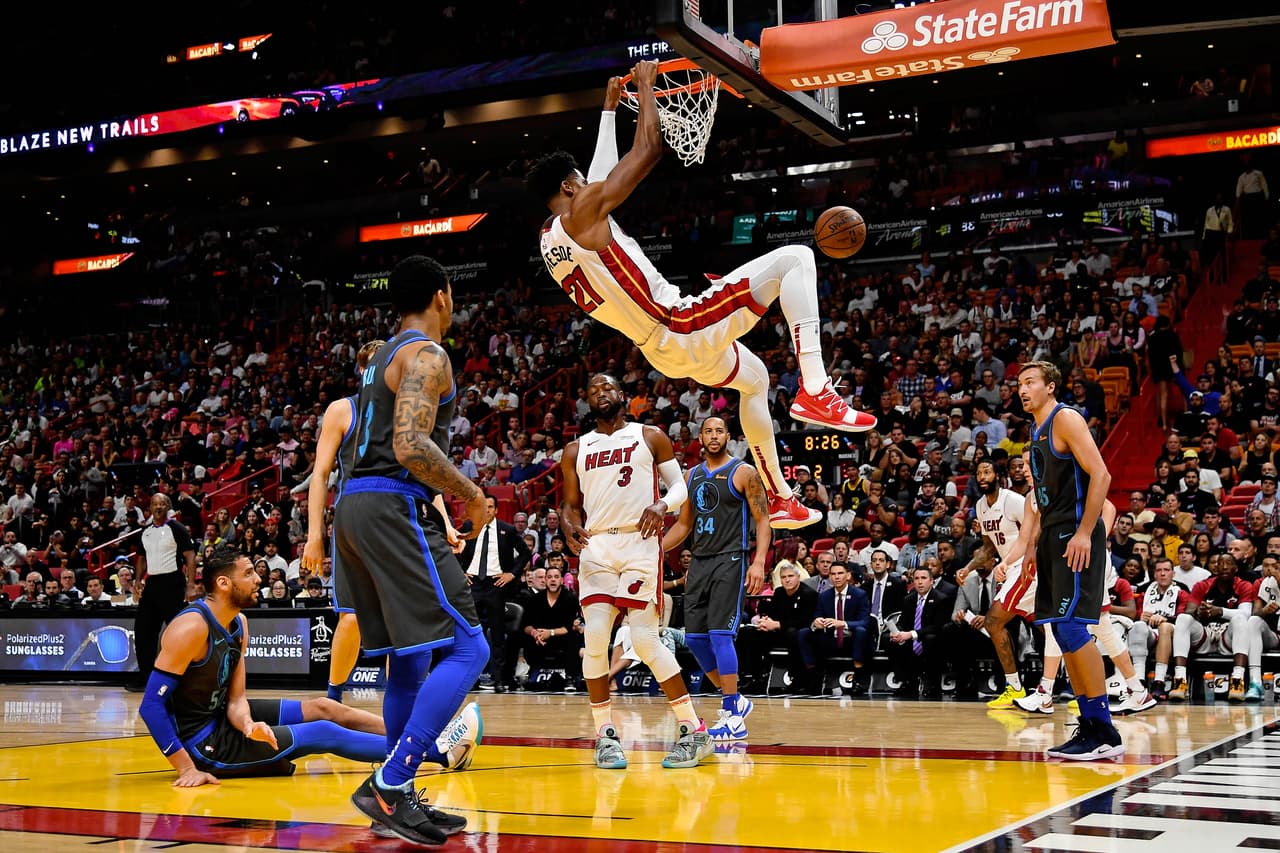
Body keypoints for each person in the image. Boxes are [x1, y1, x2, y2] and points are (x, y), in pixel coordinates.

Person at [529, 63, 874, 533]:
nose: (588, 185)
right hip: (679, 322)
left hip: (662, 351)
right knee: (795, 258)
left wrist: (610, 110)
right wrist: (649, 85)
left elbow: (598, 175)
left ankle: (779, 497)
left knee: (755, 380)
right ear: (571, 188)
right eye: (580, 183)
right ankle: (814, 389)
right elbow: (647, 149)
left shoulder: (553, 236)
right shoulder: (583, 211)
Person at [332, 255, 487, 846]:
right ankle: (392, 782)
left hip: (355, 505)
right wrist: (473, 494)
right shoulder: (428, 354)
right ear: (443, 296)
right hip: (392, 504)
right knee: (470, 648)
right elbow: (411, 443)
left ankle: (399, 795)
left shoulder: (378, 355)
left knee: (408, 657)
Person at [138, 545, 393, 788]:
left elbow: (236, 700)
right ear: (224, 583)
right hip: (202, 743)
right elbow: (151, 706)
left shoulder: (240, 623)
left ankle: (411, 733)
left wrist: (249, 725)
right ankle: (421, 753)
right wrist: (186, 768)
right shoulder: (190, 628)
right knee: (323, 731)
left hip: (223, 717)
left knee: (326, 707)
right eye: (248, 574)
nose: (258, 579)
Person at [560, 373, 712, 770]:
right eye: (593, 390)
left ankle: (694, 729)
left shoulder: (650, 435)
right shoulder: (576, 449)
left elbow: (680, 487)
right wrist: (567, 524)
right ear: (587, 402)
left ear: (623, 396)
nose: (601, 393)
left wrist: (663, 506)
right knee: (595, 638)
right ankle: (605, 735)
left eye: (607, 387)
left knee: (644, 641)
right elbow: (570, 506)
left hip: (640, 542)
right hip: (596, 546)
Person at [1016, 360, 1124, 759]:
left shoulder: (1067, 420)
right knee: (1061, 632)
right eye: (1020, 384)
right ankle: (1089, 724)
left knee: (1075, 629)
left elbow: (1102, 476)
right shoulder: (1036, 430)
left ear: (1051, 386)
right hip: (1053, 537)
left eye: (1030, 382)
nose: (1023, 389)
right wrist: (1032, 546)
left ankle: (1104, 730)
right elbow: (1047, 498)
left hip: (1075, 536)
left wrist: (1084, 532)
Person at [663, 416, 771, 739]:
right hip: (698, 561)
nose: (713, 436)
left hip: (731, 559)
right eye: (708, 431)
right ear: (700, 438)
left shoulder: (744, 473)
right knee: (694, 639)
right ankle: (735, 698)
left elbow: (763, 520)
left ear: (728, 436)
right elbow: (683, 526)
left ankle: (730, 711)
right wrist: (653, 548)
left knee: (721, 635)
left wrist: (759, 561)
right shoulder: (691, 475)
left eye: (719, 431)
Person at [301, 339, 385, 702]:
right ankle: (332, 699)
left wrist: (443, 521)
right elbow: (319, 475)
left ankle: (404, 703)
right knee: (351, 617)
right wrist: (313, 535)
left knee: (402, 624)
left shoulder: (407, 412)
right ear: (361, 371)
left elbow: (425, 473)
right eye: (369, 364)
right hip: (355, 514)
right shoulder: (342, 410)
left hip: (399, 514)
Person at [959, 459, 1029, 709]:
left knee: (995, 622)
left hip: (1028, 568)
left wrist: (1023, 562)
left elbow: (1035, 532)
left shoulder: (1014, 501)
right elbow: (989, 547)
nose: (982, 476)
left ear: (998, 475)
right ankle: (1021, 689)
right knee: (1047, 629)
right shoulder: (980, 506)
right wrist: (967, 568)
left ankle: (1019, 688)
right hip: (1009, 570)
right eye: (978, 473)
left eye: (987, 471)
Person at [460, 494, 532, 691]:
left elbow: (525, 552)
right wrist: (460, 572)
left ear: (497, 510)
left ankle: (499, 680)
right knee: (472, 634)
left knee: (498, 635)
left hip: (495, 585)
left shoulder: (507, 530)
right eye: (484, 506)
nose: (487, 510)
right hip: (472, 583)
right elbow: (453, 548)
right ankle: (470, 681)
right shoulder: (469, 526)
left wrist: (512, 574)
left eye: (491, 507)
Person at [128, 494, 196, 692]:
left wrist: (190, 584)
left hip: (173, 582)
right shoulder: (146, 532)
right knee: (143, 631)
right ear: (149, 507)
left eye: (162, 504)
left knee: (178, 633)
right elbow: (141, 557)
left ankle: (183, 677)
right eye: (155, 504)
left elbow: (190, 557)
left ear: (167, 506)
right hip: (152, 583)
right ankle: (146, 677)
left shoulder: (177, 528)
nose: (158, 507)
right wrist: (138, 580)